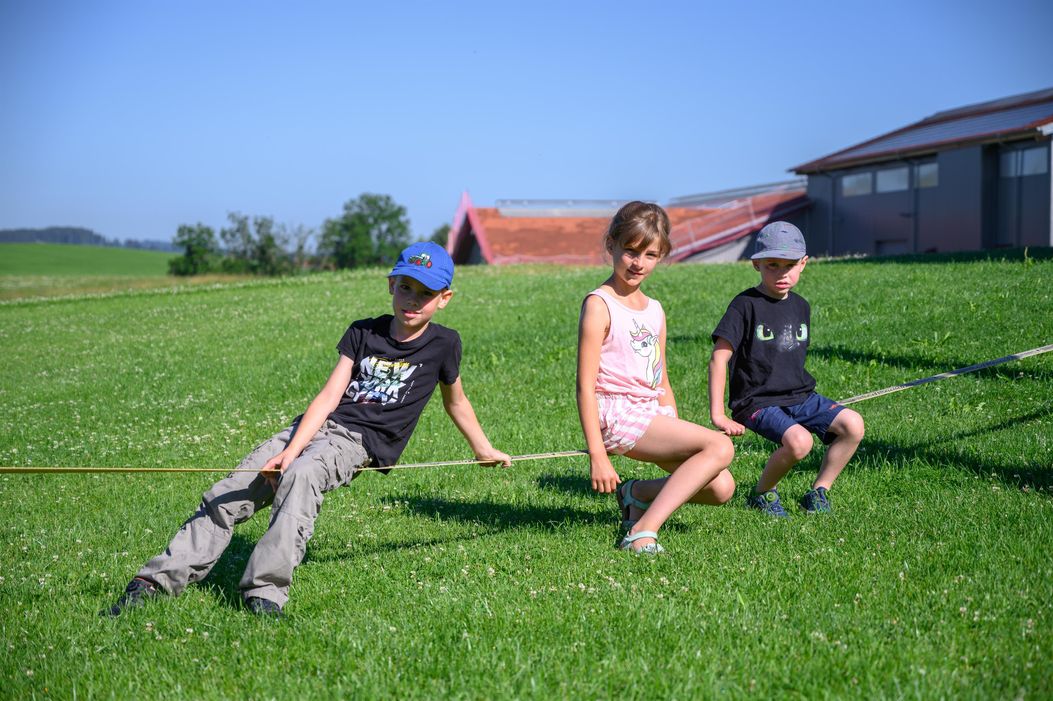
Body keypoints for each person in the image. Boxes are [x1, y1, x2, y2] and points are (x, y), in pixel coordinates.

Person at [103, 242, 510, 618]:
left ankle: (264, 592)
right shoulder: (364, 331)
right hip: (314, 426)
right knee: (231, 492)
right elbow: (329, 396)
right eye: (406, 287)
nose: (413, 300)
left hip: (358, 442)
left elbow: (455, 400)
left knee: (300, 476)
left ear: (445, 299)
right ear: (391, 285)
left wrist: (483, 449)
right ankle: (153, 582)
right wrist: (289, 448)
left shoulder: (444, 344)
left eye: (425, 293)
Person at [577, 201, 736, 555]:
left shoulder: (655, 310)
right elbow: (585, 386)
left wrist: (674, 425)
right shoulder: (599, 304)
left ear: (661, 256)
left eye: (650, 255)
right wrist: (597, 454)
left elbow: (660, 378)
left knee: (721, 488)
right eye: (630, 251)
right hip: (617, 414)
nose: (638, 263)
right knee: (720, 446)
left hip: (652, 414)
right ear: (611, 246)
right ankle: (642, 531)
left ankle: (634, 494)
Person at [708, 221, 864, 517]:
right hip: (756, 401)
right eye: (772, 265)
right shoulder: (744, 305)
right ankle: (762, 493)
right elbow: (719, 358)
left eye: (790, 265)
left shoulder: (801, 306)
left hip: (800, 396)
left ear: (804, 263)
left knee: (853, 425)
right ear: (757, 265)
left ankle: (819, 491)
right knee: (799, 442)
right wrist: (718, 414)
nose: (782, 273)